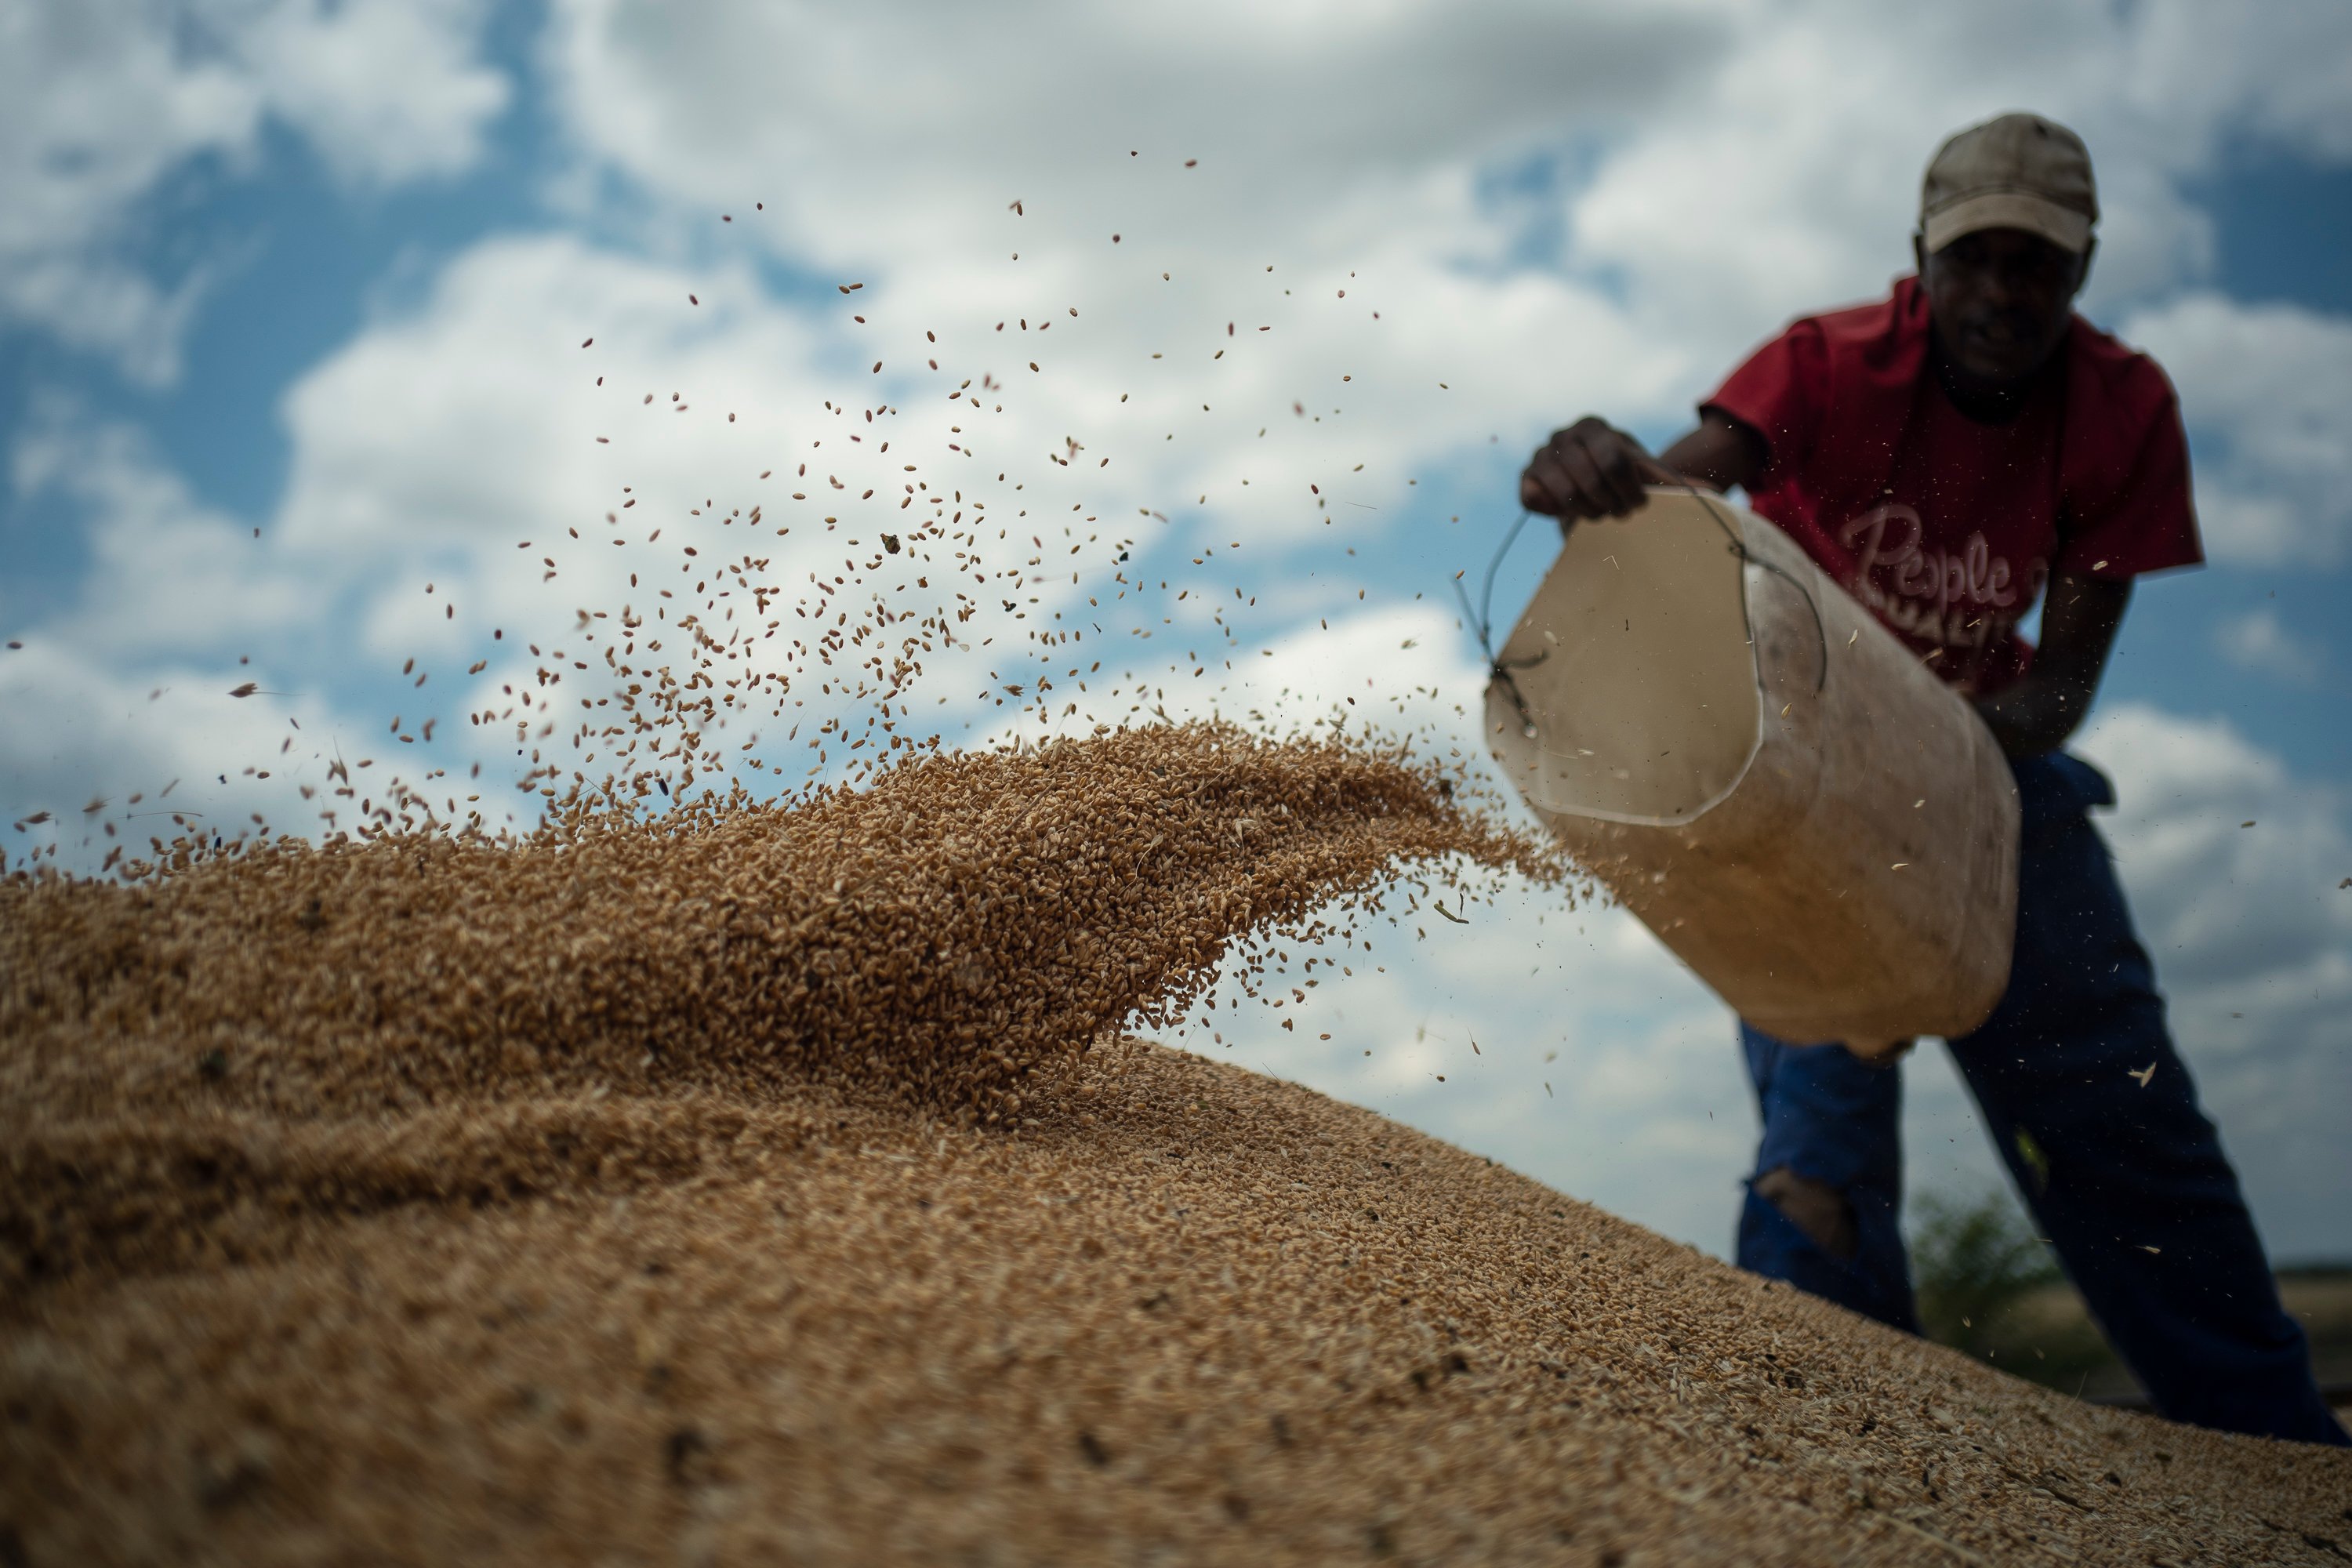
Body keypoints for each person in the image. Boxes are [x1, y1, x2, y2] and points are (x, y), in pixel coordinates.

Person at [1518, 111, 2347, 1446]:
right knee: (1824, 1138)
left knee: (2124, 1126)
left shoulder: (2124, 409)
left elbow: (2058, 692)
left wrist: (1926, 757)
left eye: (2038, 264)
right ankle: (1833, 1453)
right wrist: (1599, 475)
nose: (2002, 293)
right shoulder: (1827, 364)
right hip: (1803, 790)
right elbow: (1672, 516)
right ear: (1922, 259)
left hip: (1990, 777)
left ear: (2081, 272)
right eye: (1974, 260)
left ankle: (2275, 1453)